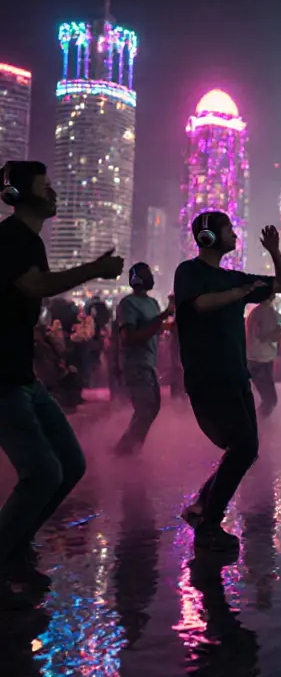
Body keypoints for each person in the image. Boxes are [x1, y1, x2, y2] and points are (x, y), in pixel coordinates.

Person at [0, 160, 124, 609]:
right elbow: (34, 288)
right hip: (4, 383)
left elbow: (23, 306)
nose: (53, 193)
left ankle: (17, 541)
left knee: (70, 464)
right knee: (44, 472)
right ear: (21, 195)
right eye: (45, 187)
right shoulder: (11, 238)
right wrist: (94, 268)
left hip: (23, 379)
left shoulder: (30, 241)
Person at [174, 211, 281, 552]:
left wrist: (274, 250)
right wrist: (240, 292)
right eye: (228, 228)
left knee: (245, 449)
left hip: (236, 375)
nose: (235, 232)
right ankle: (208, 523)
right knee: (243, 447)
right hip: (208, 377)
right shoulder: (189, 272)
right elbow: (200, 304)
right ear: (208, 237)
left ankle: (201, 506)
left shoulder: (234, 278)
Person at [113, 263, 174, 455]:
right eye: (146, 274)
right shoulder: (128, 304)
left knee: (152, 408)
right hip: (135, 364)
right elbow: (128, 337)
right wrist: (164, 315)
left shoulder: (152, 303)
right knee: (145, 409)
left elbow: (155, 327)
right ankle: (123, 452)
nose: (151, 277)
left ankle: (131, 448)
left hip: (149, 364)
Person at [246, 296, 281, 419]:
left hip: (257, 359)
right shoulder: (266, 313)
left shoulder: (256, 313)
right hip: (261, 359)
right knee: (270, 400)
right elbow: (265, 336)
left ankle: (258, 423)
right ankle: (257, 424)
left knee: (268, 399)